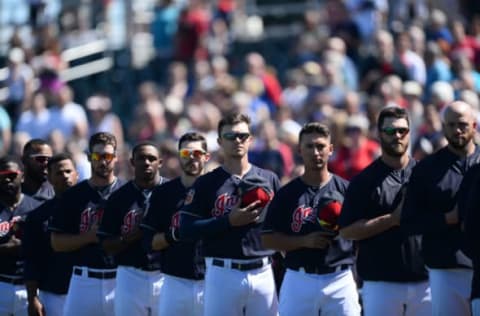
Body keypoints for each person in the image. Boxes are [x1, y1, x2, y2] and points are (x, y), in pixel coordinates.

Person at [180, 113, 281, 316]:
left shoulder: (269, 179)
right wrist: (228, 221)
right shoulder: (206, 183)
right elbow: (186, 229)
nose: (237, 140)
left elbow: (279, 228)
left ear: (250, 139)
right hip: (222, 273)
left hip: (262, 271)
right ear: (219, 142)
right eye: (230, 136)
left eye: (243, 136)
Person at [338, 107, 431, 316]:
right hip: (381, 285)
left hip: (425, 283)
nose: (397, 136)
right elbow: (347, 231)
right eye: (390, 131)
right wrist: (392, 219)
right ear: (379, 133)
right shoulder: (364, 181)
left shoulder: (426, 175)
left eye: (402, 131)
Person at [261, 122, 361, 316]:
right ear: (300, 149)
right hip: (299, 279)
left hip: (339, 277)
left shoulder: (347, 190)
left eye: (321, 146)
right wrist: (303, 241)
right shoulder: (287, 194)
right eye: (309, 146)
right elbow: (267, 239)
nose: (316, 152)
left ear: (330, 149)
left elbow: (361, 233)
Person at [401, 101, 480, 316]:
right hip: (446, 268)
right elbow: (408, 222)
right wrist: (446, 218)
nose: (457, 130)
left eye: (463, 124)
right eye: (451, 124)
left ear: (474, 125)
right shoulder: (426, 169)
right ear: (443, 127)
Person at [49, 132, 125, 316]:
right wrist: (87, 238)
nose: (103, 161)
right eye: (98, 156)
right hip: (84, 279)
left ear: (116, 158)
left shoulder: (127, 192)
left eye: (107, 156)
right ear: (90, 158)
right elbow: (57, 243)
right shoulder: (73, 195)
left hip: (121, 279)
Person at [142, 132, 210, 316]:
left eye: (197, 154)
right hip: (175, 280)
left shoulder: (218, 189)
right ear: (179, 156)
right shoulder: (163, 193)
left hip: (212, 280)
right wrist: (174, 235)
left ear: (206, 156)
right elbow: (150, 242)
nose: (192, 159)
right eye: (186, 154)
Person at [97, 142, 167, 316]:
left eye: (151, 159)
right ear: (132, 162)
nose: (146, 163)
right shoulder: (119, 197)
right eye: (141, 158)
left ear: (160, 162)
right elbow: (105, 244)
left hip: (165, 274)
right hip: (130, 275)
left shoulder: (172, 192)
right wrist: (129, 237)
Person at [23, 153, 79, 316]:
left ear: (77, 174)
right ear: (50, 178)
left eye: (69, 171)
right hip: (53, 294)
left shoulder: (90, 209)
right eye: (59, 173)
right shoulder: (37, 216)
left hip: (88, 288)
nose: (65, 176)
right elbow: (31, 260)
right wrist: (32, 297)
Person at [0, 156, 41, 315]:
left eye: (12, 175)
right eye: (3, 175)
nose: (7, 180)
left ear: (22, 176)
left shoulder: (36, 207)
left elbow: (49, 247)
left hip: (29, 287)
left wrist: (25, 247)